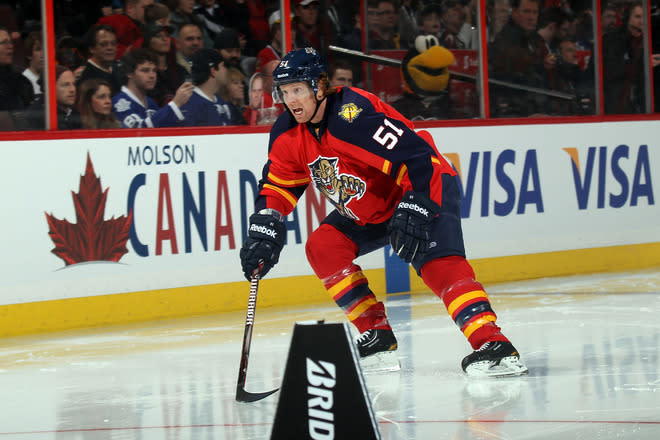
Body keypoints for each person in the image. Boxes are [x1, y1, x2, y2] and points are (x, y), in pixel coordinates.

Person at [239, 47, 529, 377]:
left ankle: (494, 345)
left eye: (298, 90)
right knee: (324, 247)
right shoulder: (288, 133)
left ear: (319, 87)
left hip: (423, 185)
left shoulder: (352, 115)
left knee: (438, 266)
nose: (291, 100)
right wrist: (265, 225)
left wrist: (418, 203)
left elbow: (419, 157)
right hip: (369, 206)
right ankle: (377, 336)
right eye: (285, 92)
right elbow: (279, 184)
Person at [112, 47, 194, 127]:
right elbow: (139, 130)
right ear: (129, 73)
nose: (152, 76)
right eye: (145, 70)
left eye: (154, 70)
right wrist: (175, 104)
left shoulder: (150, 102)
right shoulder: (120, 102)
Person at [179, 48, 238, 126]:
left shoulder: (223, 103)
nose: (226, 70)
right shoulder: (189, 105)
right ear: (213, 71)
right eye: (223, 66)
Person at [141, 22, 188, 106]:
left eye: (167, 35)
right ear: (148, 41)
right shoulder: (143, 73)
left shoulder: (180, 71)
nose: (165, 39)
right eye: (159, 36)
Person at [76, 24, 123, 95]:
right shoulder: (86, 77)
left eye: (113, 43)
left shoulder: (121, 69)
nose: (110, 48)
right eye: (103, 44)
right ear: (91, 48)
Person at [22, 31, 43, 97]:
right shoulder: (23, 80)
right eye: (38, 49)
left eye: (46, 49)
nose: (43, 54)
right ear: (29, 54)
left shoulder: (54, 79)